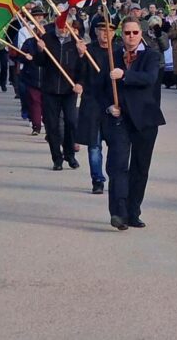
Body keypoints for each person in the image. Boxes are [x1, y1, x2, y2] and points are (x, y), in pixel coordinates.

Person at [97, 18, 166, 229]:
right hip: (119, 120)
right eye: (127, 33)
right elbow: (99, 88)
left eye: (135, 32)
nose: (131, 37)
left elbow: (149, 78)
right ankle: (118, 213)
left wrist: (125, 75)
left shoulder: (151, 55)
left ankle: (133, 211)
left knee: (140, 168)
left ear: (141, 33)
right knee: (117, 166)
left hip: (145, 120)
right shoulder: (112, 56)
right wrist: (109, 106)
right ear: (121, 34)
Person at [34, 13, 82, 171]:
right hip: (50, 89)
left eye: (66, 27)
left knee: (71, 122)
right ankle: (57, 158)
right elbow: (39, 63)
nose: (63, 30)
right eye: (60, 27)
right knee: (52, 125)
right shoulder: (47, 39)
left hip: (69, 90)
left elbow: (83, 68)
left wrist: (80, 83)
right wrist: (40, 51)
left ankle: (70, 154)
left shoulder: (76, 43)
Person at [76, 18, 118, 195]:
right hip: (93, 103)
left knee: (116, 145)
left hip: (113, 104)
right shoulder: (89, 51)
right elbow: (80, 75)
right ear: (96, 32)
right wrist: (80, 56)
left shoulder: (118, 51)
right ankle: (97, 179)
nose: (105, 34)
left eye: (109, 30)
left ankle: (116, 178)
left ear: (114, 33)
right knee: (94, 146)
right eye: (101, 30)